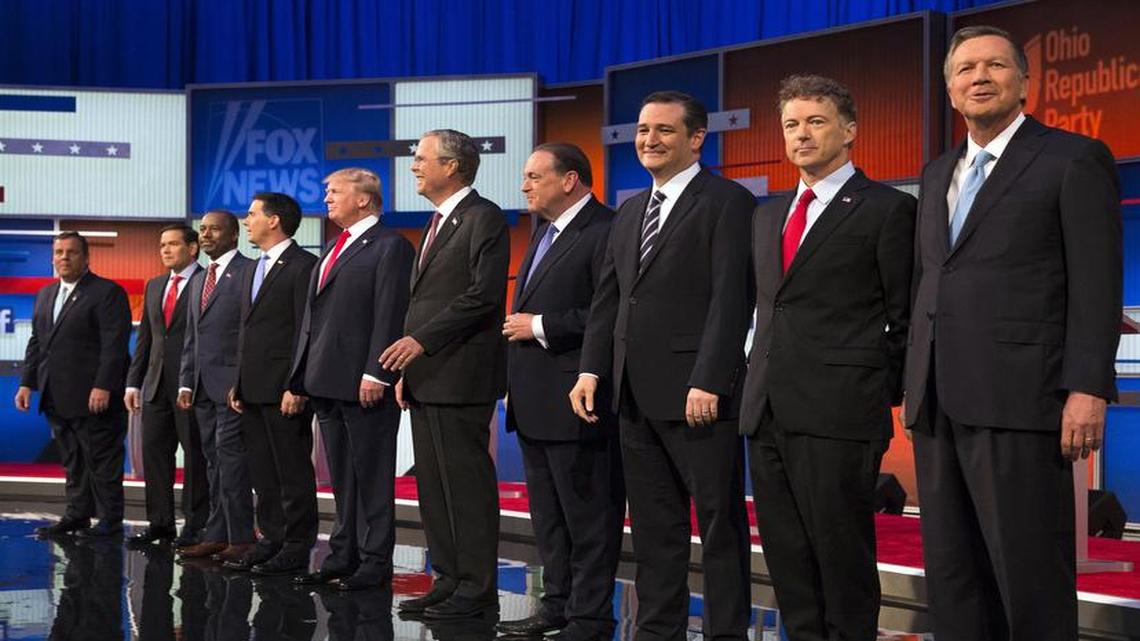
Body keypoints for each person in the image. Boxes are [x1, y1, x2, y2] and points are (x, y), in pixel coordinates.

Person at [903, 26, 1122, 641]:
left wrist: (1086, 387)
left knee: (1029, 578)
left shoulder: (1071, 158)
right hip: (938, 400)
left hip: (1023, 400)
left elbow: (1096, 285)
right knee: (953, 577)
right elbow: (933, 280)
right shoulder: (938, 170)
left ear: (1024, 82)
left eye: (995, 65)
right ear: (949, 90)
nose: (979, 76)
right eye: (966, 68)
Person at [570, 91, 754, 641]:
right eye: (643, 130)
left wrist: (709, 378)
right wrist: (590, 371)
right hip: (631, 394)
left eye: (664, 131)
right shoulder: (630, 211)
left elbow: (731, 299)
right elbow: (610, 301)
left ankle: (726, 632)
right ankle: (657, 630)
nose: (649, 140)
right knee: (654, 529)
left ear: (696, 138)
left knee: (719, 526)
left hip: (698, 397)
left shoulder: (728, 201)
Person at [739, 75, 915, 641]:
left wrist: (868, 388)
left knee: (841, 555)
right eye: (792, 124)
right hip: (766, 408)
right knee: (787, 556)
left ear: (850, 130)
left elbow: (904, 318)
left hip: (840, 414)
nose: (801, 134)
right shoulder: (767, 214)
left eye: (816, 121)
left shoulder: (886, 209)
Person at [379, 129, 509, 620]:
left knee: (466, 488)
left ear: (452, 166)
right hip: (428, 376)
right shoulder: (436, 223)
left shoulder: (484, 218)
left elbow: (483, 296)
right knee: (434, 489)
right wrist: (409, 368)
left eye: (421, 157)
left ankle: (476, 590)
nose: (413, 165)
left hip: (462, 375)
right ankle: (448, 579)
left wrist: (421, 342)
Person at [498, 144, 623, 641]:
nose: (524, 185)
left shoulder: (606, 228)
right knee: (550, 521)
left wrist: (542, 325)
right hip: (533, 402)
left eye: (533, 176)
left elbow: (609, 313)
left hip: (578, 399)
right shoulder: (544, 232)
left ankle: (590, 618)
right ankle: (557, 606)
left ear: (570, 179)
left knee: (589, 519)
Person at [290, 168, 414, 589]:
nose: (326, 198)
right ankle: (344, 554)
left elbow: (390, 312)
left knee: (372, 477)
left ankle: (375, 561)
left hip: (364, 382)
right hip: (325, 380)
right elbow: (315, 319)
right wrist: (301, 375)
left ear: (363, 199)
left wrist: (377, 372)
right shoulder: (332, 247)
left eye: (334, 191)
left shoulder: (390, 246)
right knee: (342, 476)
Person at [15, 232, 132, 538]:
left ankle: (110, 521)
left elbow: (114, 346)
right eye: (59, 252)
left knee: (102, 461)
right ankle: (77, 515)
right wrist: (27, 383)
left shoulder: (107, 292)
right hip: (56, 394)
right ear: (52, 257)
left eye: (71, 252)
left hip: (96, 396)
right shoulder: (45, 294)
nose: (64, 257)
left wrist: (103, 385)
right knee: (72, 460)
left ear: (86, 257)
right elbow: (37, 342)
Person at [228, 191, 320, 575]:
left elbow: (306, 330)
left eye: (251, 214)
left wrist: (297, 385)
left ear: (274, 220)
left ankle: (298, 545)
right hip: (251, 388)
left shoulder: (304, 266)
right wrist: (237, 382)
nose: (245, 221)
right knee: (262, 472)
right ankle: (271, 539)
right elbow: (246, 332)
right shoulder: (252, 268)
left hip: (285, 388)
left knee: (292, 471)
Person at [176, 210, 257, 562]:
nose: (206, 235)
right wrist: (185, 382)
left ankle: (241, 537)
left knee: (232, 462)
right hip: (201, 388)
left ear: (234, 235)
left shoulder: (250, 272)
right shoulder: (197, 280)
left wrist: (240, 380)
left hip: (231, 388)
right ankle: (218, 533)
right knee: (212, 462)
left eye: (214, 229)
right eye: (203, 229)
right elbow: (193, 337)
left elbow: (249, 334)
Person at [125, 224, 208, 547]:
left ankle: (195, 525)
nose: (166, 250)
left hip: (191, 386)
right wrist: (134, 383)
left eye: (173, 244)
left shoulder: (206, 281)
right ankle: (159, 524)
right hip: (155, 385)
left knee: (195, 457)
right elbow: (146, 339)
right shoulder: (156, 285)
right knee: (155, 456)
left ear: (193, 248)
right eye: (162, 245)